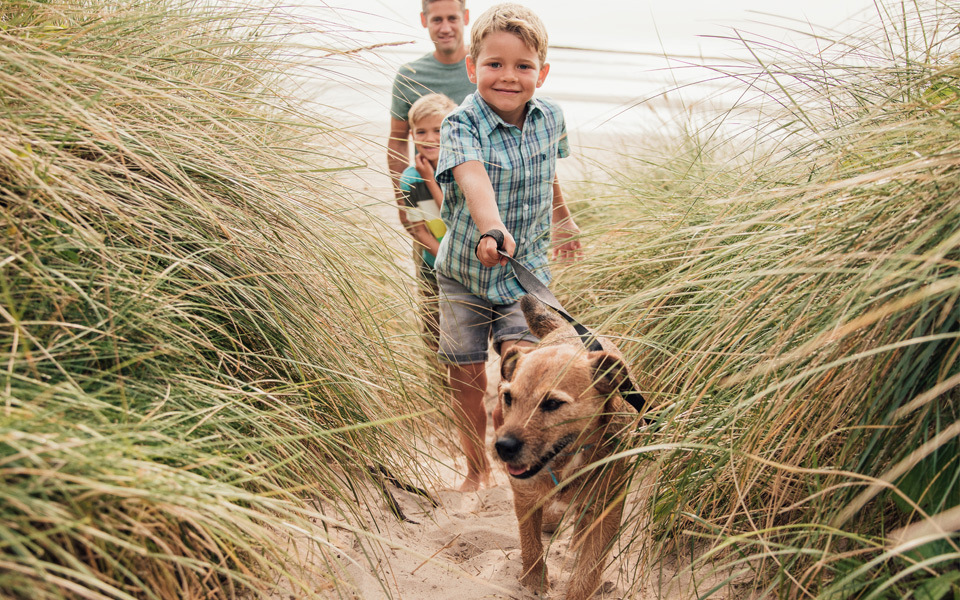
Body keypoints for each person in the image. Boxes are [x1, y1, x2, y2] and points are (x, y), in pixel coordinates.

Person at [433, 3, 582, 492]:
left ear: (541, 72)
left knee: (525, 368)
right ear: (473, 67)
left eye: (523, 66)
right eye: (494, 65)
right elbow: (472, 177)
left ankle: (525, 449)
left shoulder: (550, 117)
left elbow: (547, 172)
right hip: (465, 273)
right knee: (467, 375)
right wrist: (491, 229)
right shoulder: (460, 124)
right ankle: (476, 469)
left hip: (525, 272)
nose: (508, 77)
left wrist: (562, 217)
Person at [398, 93, 458, 350]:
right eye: (421, 131)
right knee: (433, 328)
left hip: (467, 263)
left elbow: (453, 215)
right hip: (432, 265)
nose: (430, 138)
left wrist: (431, 179)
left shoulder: (462, 169)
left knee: (463, 330)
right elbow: (418, 229)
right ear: (412, 135)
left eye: (438, 130)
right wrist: (442, 257)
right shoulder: (410, 179)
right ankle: (438, 386)